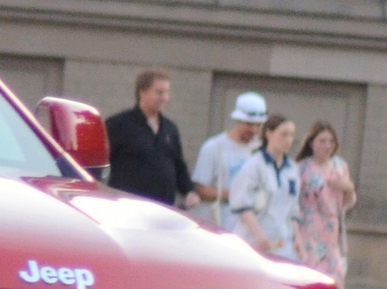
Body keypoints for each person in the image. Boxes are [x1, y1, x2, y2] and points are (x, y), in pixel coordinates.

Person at [104, 68, 193, 206]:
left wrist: (189, 191)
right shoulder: (119, 124)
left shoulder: (169, 128)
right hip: (128, 205)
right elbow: (100, 159)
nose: (164, 98)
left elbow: (178, 165)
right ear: (142, 92)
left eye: (167, 93)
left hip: (163, 207)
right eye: (159, 93)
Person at [228, 114, 301, 258]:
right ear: (269, 134)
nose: (288, 140)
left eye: (291, 135)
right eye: (283, 135)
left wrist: (298, 238)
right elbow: (241, 204)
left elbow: (293, 209)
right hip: (253, 242)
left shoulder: (292, 169)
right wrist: (258, 234)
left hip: (281, 243)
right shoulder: (254, 165)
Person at [292, 121, 357, 280]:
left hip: (331, 228)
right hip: (308, 226)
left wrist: (347, 188)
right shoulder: (302, 168)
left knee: (334, 276)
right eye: (322, 141)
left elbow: (346, 203)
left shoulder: (340, 166)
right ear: (311, 143)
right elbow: (292, 201)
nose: (327, 146)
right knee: (310, 273)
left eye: (331, 141)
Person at [192, 92, 267, 229]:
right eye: (249, 124)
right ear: (238, 120)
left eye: (258, 125)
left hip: (246, 229)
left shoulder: (259, 151)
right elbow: (200, 188)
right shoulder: (214, 147)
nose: (254, 129)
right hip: (217, 224)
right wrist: (234, 195)